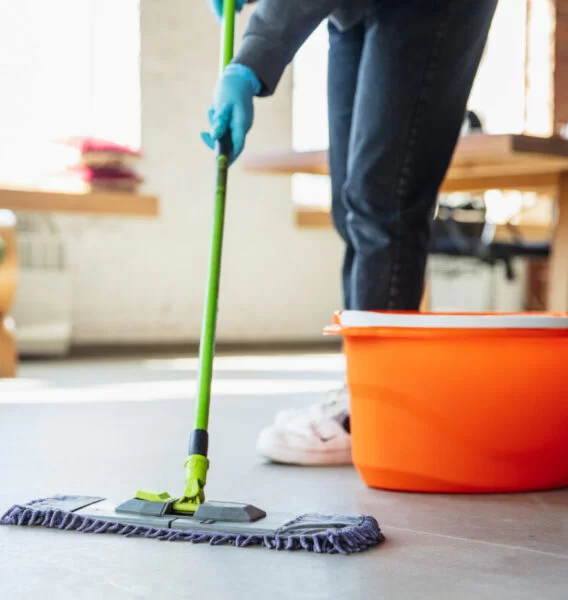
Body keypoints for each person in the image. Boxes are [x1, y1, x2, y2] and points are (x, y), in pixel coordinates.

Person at [202, 0, 498, 465]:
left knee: (384, 199)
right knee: (349, 201)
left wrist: (249, 63)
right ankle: (361, 385)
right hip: (354, 11)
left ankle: (378, 406)